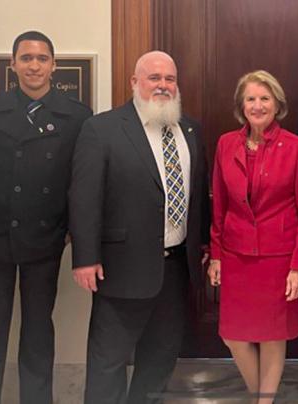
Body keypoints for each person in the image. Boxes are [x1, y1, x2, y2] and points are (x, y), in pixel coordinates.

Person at [0, 31, 92, 404]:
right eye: (26, 58)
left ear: (53, 65)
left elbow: (79, 181)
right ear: (13, 64)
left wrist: (69, 231)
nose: (34, 65)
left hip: (44, 239)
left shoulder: (77, 115)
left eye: (42, 58)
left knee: (37, 333)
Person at [69, 50, 210, 404]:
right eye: (154, 78)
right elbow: (84, 197)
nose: (163, 85)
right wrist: (85, 257)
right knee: (108, 361)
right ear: (134, 82)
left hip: (176, 269)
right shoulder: (102, 129)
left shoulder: (190, 129)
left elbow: (199, 199)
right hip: (121, 268)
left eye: (169, 79)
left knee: (160, 359)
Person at [208, 70, 298, 403]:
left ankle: (264, 401)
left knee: (273, 336)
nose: (258, 105)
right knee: (233, 336)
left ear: (277, 104)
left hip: (279, 259)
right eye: (251, 98)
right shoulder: (226, 143)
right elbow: (219, 206)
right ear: (242, 104)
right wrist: (216, 255)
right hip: (236, 255)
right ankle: (259, 396)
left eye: (264, 98)